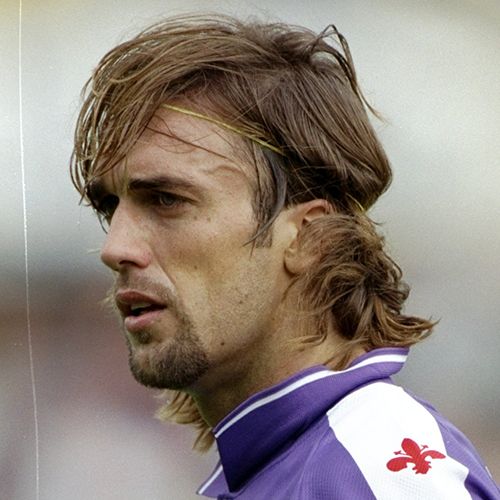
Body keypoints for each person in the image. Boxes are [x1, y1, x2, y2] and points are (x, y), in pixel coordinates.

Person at [71, 14, 499, 499]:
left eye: (167, 199)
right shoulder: (293, 467)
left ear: (307, 238)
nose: (114, 248)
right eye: (110, 207)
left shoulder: (377, 470)